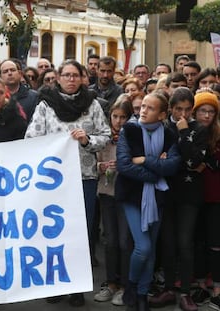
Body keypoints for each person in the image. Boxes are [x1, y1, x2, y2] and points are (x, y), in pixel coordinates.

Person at [25, 59, 111, 307]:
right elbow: (31, 137)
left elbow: (105, 136)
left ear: (83, 78)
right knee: (54, 233)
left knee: (80, 233)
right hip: (53, 181)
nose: (72, 80)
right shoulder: (45, 105)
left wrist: (87, 141)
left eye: (76, 75)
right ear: (59, 78)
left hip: (84, 178)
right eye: (67, 75)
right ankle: (56, 284)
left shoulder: (92, 104)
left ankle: (77, 288)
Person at [115, 92, 180, 311]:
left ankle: (141, 295)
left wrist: (145, 160)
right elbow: (124, 165)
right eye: (142, 106)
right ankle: (131, 285)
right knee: (142, 247)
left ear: (162, 114)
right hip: (132, 196)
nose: (143, 110)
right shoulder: (130, 130)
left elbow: (172, 166)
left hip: (158, 198)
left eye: (150, 108)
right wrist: (155, 173)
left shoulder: (170, 135)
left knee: (151, 250)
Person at [148, 87, 207, 311]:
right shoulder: (161, 129)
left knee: (185, 242)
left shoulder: (198, 129)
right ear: (170, 108)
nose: (183, 114)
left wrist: (183, 135)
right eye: (178, 109)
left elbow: (194, 162)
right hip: (166, 192)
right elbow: (156, 160)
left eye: (187, 110)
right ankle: (169, 289)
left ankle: (185, 293)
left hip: (189, 195)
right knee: (168, 243)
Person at [191, 91, 220, 311]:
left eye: (211, 111)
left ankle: (217, 290)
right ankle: (199, 286)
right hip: (194, 197)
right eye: (202, 111)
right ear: (195, 112)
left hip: (217, 198)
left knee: (216, 245)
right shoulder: (189, 133)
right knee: (198, 244)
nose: (206, 115)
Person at [94, 94, 133, 307]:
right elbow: (93, 161)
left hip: (126, 195)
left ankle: (124, 285)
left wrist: (124, 167)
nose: (118, 121)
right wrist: (100, 167)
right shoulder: (103, 137)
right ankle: (110, 283)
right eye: (115, 116)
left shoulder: (134, 137)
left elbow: (139, 165)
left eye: (123, 117)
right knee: (109, 240)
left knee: (125, 241)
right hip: (106, 193)